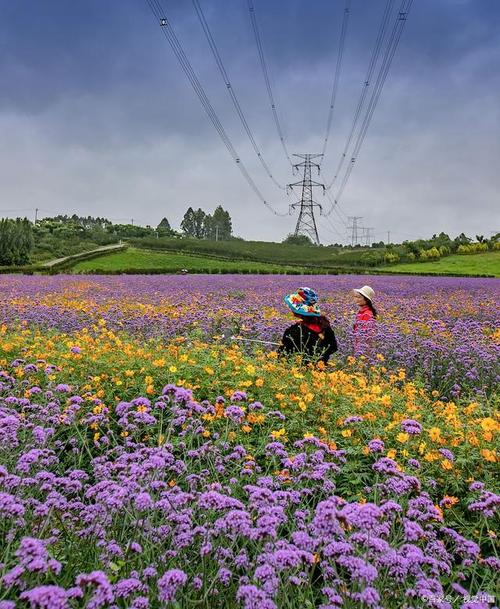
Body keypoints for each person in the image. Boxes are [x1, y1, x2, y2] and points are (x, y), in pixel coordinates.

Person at [279, 287, 338, 364]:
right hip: (320, 371)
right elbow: (333, 347)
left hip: (299, 370)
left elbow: (283, 354)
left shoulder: (294, 331)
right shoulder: (325, 326)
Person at [352, 285, 377, 354]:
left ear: (366, 300)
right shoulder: (361, 312)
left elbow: (366, 335)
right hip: (358, 346)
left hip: (363, 349)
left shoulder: (367, 314)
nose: (356, 299)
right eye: (355, 297)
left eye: (359, 297)